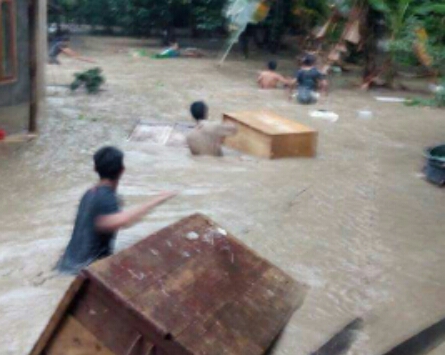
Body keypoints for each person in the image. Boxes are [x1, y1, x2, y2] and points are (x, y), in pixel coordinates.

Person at [57, 146, 176, 274]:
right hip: (83, 272)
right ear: (122, 170)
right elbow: (123, 221)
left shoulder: (89, 194)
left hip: (64, 265)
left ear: (95, 169)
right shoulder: (107, 198)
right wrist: (157, 200)